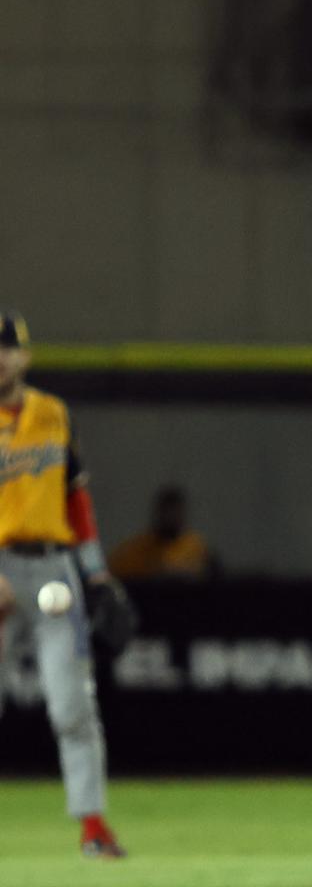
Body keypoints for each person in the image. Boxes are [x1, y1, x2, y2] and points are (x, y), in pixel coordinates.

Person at [0, 309, 126, 858]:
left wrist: (96, 573)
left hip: (55, 571)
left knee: (73, 705)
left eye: (8, 348)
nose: (1, 357)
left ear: (25, 355)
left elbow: (76, 498)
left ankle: (93, 828)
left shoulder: (53, 413)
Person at [109, 486, 214, 581]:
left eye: (176, 513)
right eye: (167, 513)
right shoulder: (139, 547)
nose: (171, 519)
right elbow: (113, 572)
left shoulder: (196, 547)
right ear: (158, 514)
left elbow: (211, 575)